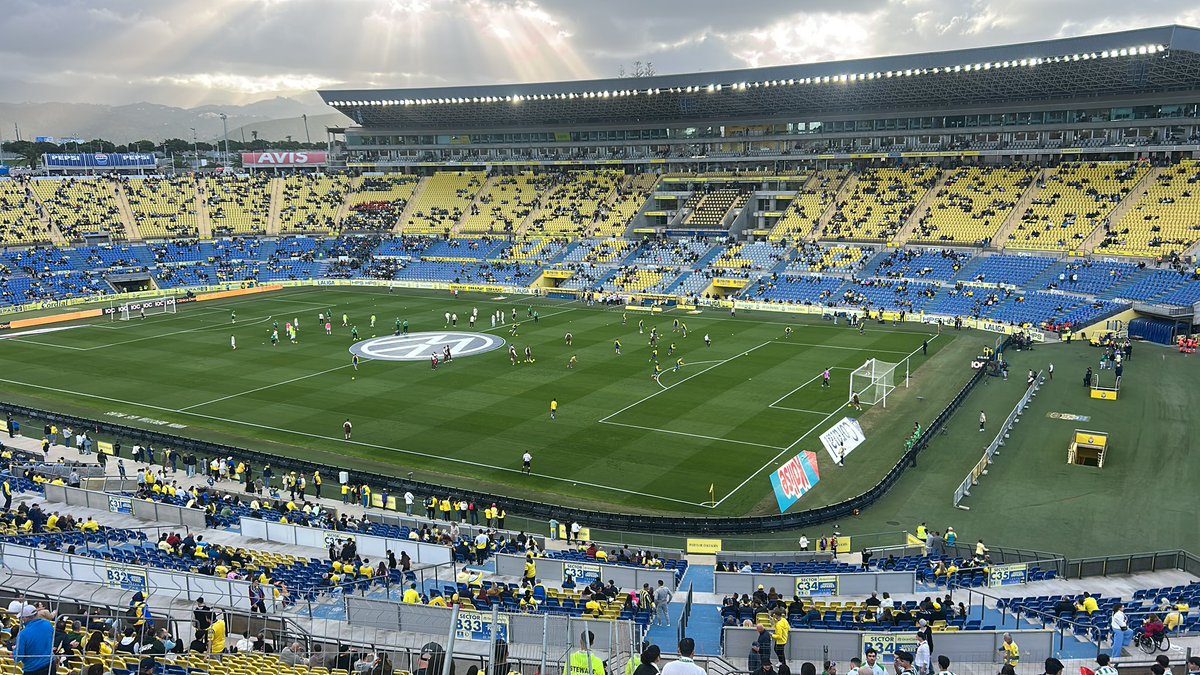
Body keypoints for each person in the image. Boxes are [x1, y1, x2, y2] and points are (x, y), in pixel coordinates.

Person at [15, 605, 54, 675]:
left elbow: (18, 657)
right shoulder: (48, 625)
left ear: (26, 618)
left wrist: (14, 651)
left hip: (32, 670)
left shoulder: (23, 634)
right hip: (49, 666)